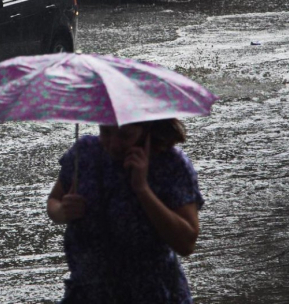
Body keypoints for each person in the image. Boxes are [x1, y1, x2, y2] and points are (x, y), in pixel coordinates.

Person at [47, 119, 204, 303]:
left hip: (152, 294)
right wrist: (63, 211)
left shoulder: (170, 163)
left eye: (125, 135)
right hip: (87, 292)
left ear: (146, 130)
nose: (113, 144)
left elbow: (186, 243)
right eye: (105, 131)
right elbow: (54, 201)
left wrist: (142, 189)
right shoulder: (85, 153)